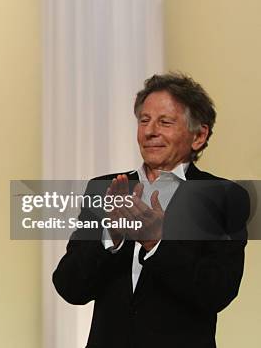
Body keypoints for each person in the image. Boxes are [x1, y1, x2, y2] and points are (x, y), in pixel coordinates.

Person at [53, 73, 248, 348]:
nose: (149, 131)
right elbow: (69, 286)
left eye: (165, 122)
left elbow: (217, 292)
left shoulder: (225, 197)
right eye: (144, 120)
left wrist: (156, 242)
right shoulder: (104, 189)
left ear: (199, 135)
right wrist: (111, 235)